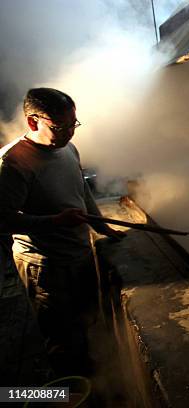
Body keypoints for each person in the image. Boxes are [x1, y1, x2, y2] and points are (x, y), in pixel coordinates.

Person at [0, 87, 125, 376]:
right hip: (44, 266)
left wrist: (101, 225)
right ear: (33, 122)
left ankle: (96, 385)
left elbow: (81, 190)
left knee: (86, 323)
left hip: (78, 254)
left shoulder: (68, 148)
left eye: (74, 124)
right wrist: (55, 222)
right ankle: (65, 394)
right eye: (61, 127)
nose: (70, 133)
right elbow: (3, 220)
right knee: (60, 337)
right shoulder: (13, 163)